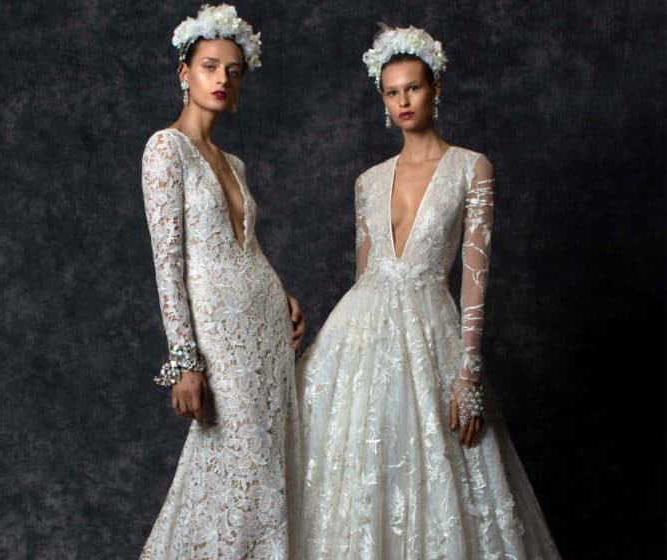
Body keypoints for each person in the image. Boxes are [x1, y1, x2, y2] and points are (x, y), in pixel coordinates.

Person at [293, 25, 561, 559]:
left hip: (430, 331)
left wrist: (469, 372)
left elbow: (474, 278)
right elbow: (365, 274)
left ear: (435, 88)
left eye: (413, 88)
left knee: (438, 472)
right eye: (392, 92)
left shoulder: (471, 168)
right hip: (359, 336)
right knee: (352, 469)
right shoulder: (368, 181)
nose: (403, 101)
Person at [138, 5, 304, 559]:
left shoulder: (233, 162)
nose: (222, 79)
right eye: (210, 66)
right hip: (218, 337)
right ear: (184, 73)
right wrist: (184, 361)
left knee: (267, 467)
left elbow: (243, 247)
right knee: (236, 462)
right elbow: (168, 262)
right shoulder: (166, 149)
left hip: (265, 327)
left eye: (233, 71)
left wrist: (281, 297)